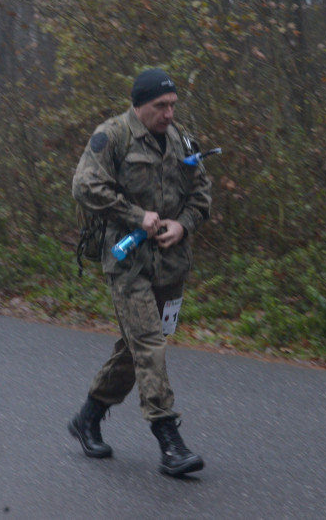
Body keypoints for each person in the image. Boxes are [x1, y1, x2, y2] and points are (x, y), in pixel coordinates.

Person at [68, 68, 212, 477]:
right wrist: (136, 215)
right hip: (127, 260)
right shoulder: (112, 136)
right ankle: (169, 441)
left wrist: (182, 223)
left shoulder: (182, 139)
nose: (168, 113)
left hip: (171, 262)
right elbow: (84, 186)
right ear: (139, 105)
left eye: (172, 105)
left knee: (139, 347)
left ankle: (88, 417)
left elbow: (202, 192)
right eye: (160, 106)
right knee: (149, 343)